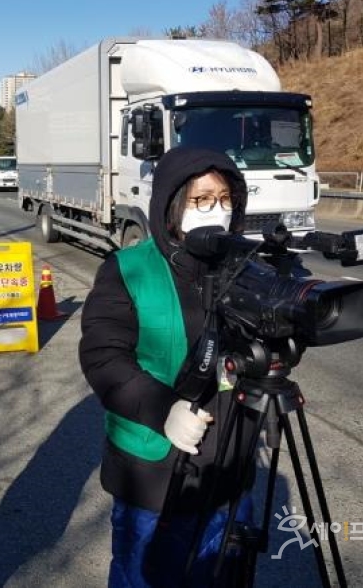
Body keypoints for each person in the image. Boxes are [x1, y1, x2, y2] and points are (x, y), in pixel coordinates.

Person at [79, 147, 259, 587]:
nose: (215, 209)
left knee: (223, 576)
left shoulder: (242, 267)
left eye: (224, 198)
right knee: (145, 576)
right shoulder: (129, 269)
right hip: (153, 471)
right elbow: (104, 357)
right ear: (172, 204)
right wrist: (164, 410)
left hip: (229, 463)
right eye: (201, 199)